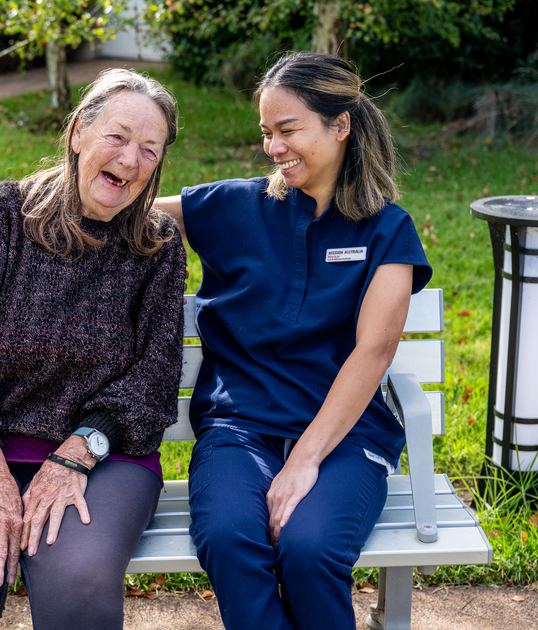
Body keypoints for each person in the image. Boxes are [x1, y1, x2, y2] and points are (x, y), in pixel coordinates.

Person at [0, 68, 187, 630]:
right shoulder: (2, 215)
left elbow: (153, 376)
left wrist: (76, 454)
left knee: (78, 586)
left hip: (104, 456)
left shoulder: (157, 245)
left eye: (149, 150)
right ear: (79, 130)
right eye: (118, 137)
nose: (130, 161)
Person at [154, 52, 433, 629]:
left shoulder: (388, 229)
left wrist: (304, 461)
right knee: (230, 541)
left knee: (310, 551)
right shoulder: (235, 206)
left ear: (340, 125)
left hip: (345, 438)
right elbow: (115, 205)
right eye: (266, 133)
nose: (273, 148)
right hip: (240, 430)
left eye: (287, 130)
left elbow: (373, 351)